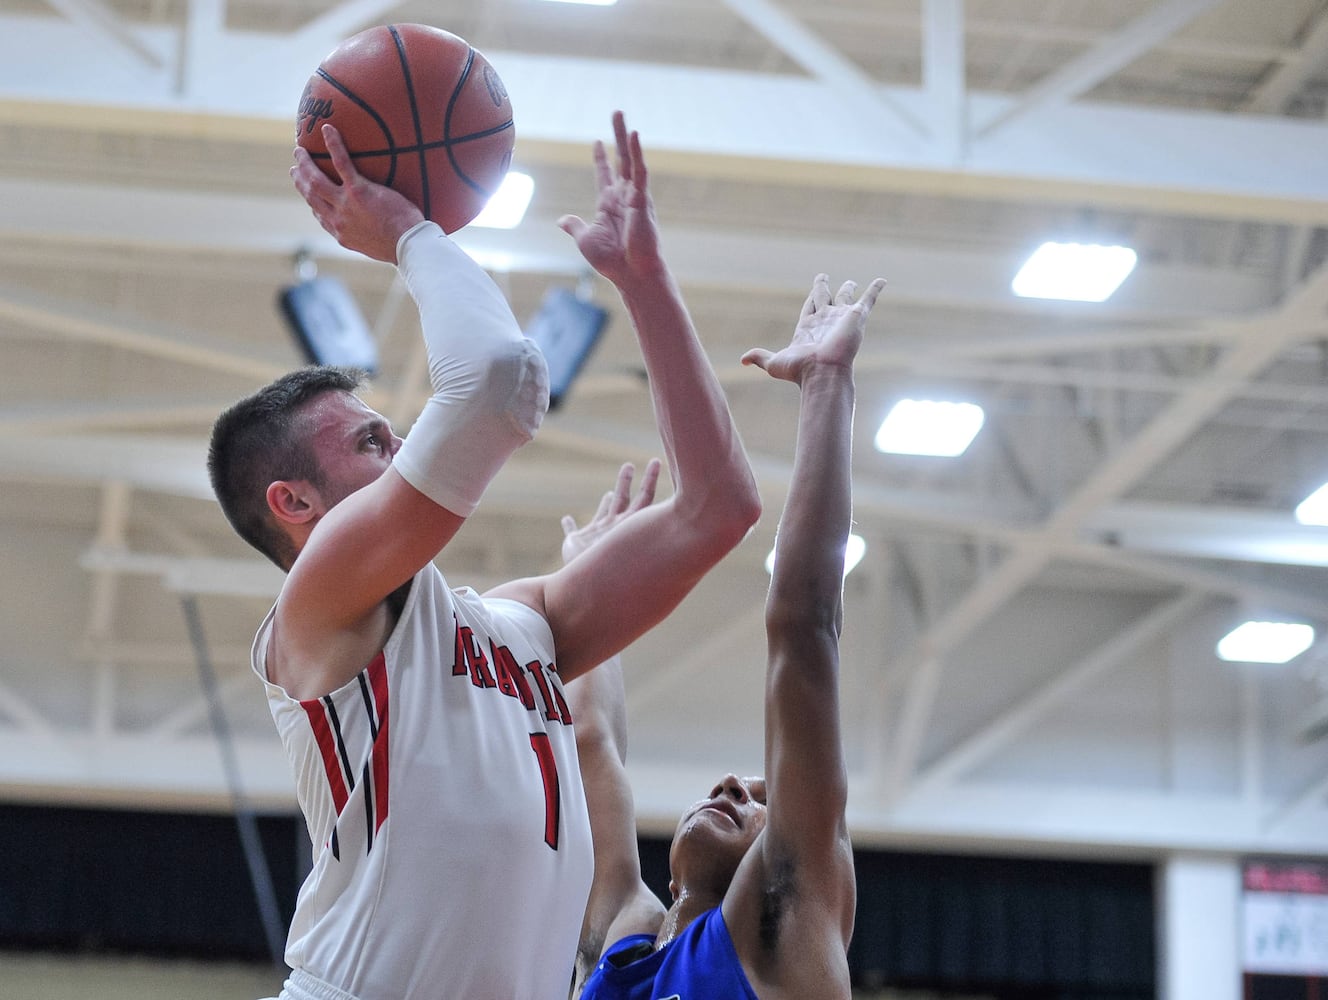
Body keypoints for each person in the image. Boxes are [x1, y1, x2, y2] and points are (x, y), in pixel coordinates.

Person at [207, 111, 760, 1000]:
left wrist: (647, 283)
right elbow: (499, 382)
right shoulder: (319, 609)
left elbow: (721, 507)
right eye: (367, 441)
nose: (398, 443)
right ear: (295, 503)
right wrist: (408, 235)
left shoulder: (522, 624)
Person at [564, 270, 886, 1000]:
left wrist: (827, 384)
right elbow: (589, 740)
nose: (733, 786)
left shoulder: (782, 927)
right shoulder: (625, 935)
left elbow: (803, 624)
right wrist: (590, 575)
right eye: (740, 784)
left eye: (759, 797)